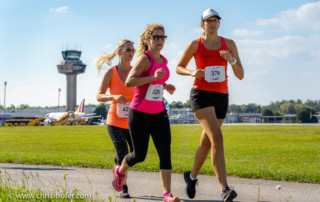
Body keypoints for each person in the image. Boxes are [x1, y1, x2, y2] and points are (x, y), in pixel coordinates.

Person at [176, 8, 244, 202]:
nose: (212, 23)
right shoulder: (195, 44)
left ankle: (191, 177)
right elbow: (178, 67)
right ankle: (224, 188)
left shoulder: (229, 44)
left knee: (207, 142)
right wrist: (191, 72)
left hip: (221, 96)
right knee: (217, 138)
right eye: (208, 21)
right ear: (202, 25)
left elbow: (240, 75)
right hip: (201, 95)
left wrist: (231, 60)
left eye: (215, 20)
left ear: (219, 24)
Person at [111, 24, 180, 202]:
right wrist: (153, 78)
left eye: (162, 37)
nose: (160, 40)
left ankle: (167, 194)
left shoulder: (163, 60)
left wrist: (165, 86)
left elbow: (155, 83)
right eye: (156, 37)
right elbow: (130, 81)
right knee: (139, 155)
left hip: (159, 113)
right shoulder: (144, 58)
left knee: (165, 152)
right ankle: (119, 171)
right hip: (140, 113)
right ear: (147, 39)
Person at [96, 39, 136, 198]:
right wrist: (113, 96)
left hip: (132, 121)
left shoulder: (136, 71)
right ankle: (124, 188)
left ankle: (118, 165)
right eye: (127, 50)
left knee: (135, 154)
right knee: (122, 153)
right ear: (119, 52)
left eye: (133, 50)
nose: (131, 53)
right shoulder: (111, 72)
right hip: (114, 121)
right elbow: (99, 96)